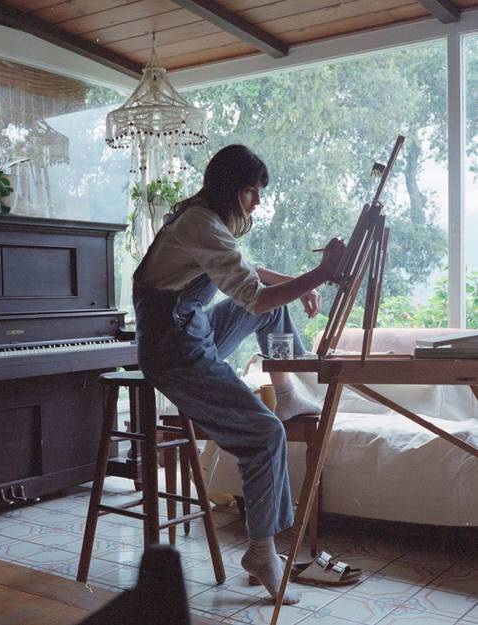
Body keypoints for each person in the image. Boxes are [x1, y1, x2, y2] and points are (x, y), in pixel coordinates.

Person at [133, 145, 345, 604]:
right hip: (173, 349)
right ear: (231, 188)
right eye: (252, 191)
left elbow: (250, 274)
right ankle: (261, 552)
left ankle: (287, 393)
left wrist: (295, 283)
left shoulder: (203, 219)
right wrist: (319, 274)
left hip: (189, 327)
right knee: (265, 435)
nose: (258, 201)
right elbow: (256, 296)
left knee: (272, 309)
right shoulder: (199, 224)